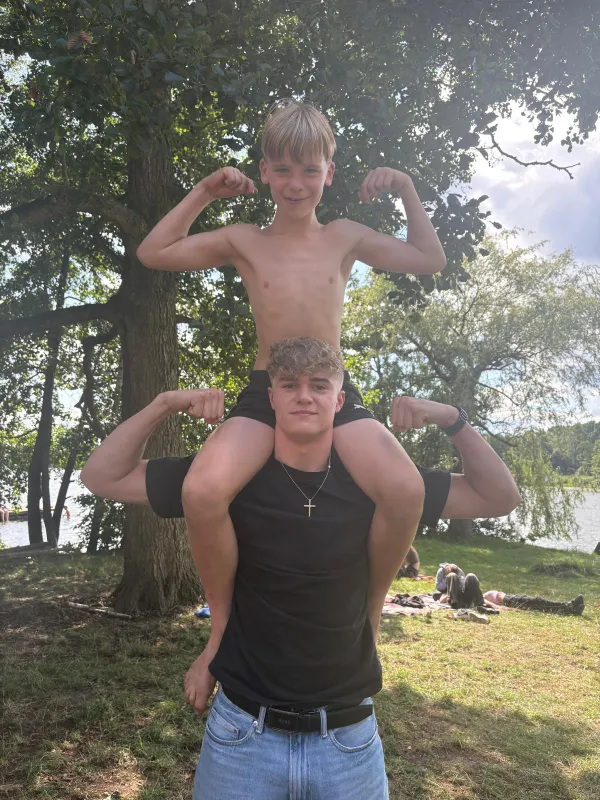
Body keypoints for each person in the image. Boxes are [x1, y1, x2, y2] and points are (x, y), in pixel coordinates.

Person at [81, 337, 520, 800]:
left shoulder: (378, 483)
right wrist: (164, 405)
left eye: (319, 385)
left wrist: (453, 420)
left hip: (347, 740)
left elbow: (498, 496)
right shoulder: (230, 477)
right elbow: (102, 476)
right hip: (242, 734)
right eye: (289, 385)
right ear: (270, 398)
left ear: (340, 400)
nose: (304, 396)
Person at [136, 99, 448, 711]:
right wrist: (204, 192)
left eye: (309, 170)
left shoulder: (345, 236)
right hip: (266, 390)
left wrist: (408, 190)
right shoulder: (244, 240)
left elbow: (429, 259)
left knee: (405, 488)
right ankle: (220, 629)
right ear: (264, 172)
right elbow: (155, 252)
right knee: (202, 491)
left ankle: (370, 616)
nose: (296, 183)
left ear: (329, 173)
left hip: (332, 391)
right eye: (282, 169)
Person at [484, 589, 585, 615]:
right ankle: (570, 607)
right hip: (509, 601)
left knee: (537, 601)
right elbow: (495, 606)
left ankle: (571, 605)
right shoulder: (481, 599)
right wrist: (508, 609)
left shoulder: (483, 594)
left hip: (510, 597)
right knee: (537, 603)